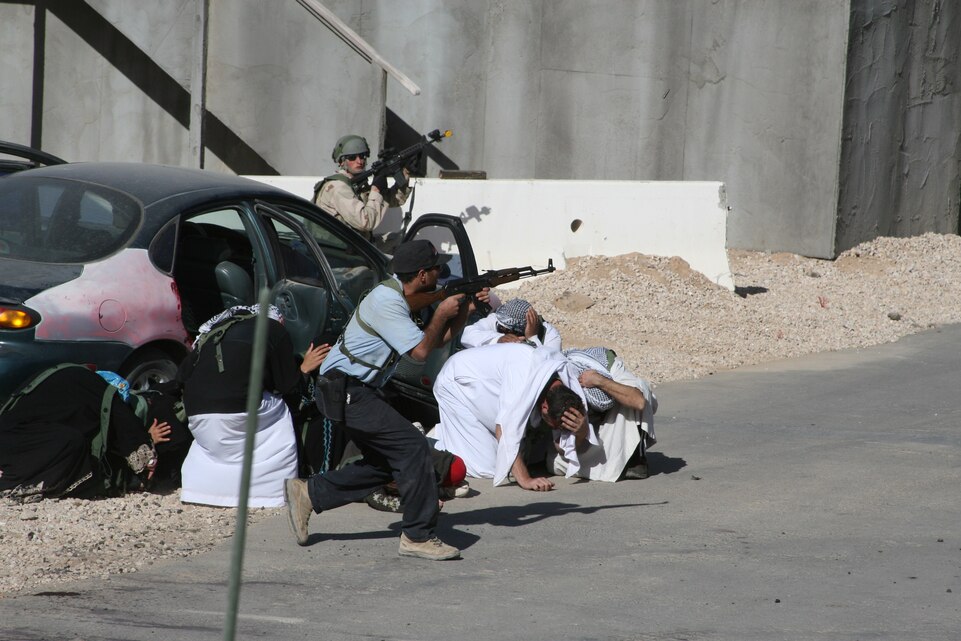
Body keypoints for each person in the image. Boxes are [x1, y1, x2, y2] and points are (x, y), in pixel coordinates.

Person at [284, 239, 481, 561]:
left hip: (353, 389)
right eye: (435, 269)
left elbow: (436, 341)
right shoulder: (388, 303)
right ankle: (417, 536)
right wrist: (443, 310)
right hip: (345, 389)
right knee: (414, 448)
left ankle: (310, 492)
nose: (439, 274)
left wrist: (461, 314)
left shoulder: (397, 297)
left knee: (387, 461)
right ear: (421, 275)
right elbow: (418, 354)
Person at [177, 304, 328, 508]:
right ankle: (272, 492)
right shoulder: (273, 329)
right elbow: (288, 385)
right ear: (278, 320)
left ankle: (203, 491)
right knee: (281, 408)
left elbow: (181, 377)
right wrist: (304, 368)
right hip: (238, 413)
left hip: (198, 417)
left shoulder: (212, 333)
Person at [430, 343, 596, 491]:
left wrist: (581, 431)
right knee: (490, 467)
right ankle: (432, 440)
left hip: (489, 389)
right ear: (544, 407)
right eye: (554, 426)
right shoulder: (522, 378)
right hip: (456, 383)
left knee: (518, 456)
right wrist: (525, 479)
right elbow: (503, 429)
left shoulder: (566, 384)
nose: (555, 431)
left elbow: (562, 448)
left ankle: (454, 435)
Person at [0, 365, 173, 502]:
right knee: (71, 443)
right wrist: (147, 447)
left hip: (10, 439)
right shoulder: (101, 395)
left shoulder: (71, 382)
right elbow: (122, 425)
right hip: (19, 446)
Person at [547, 347, 658, 482]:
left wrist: (600, 381)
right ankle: (613, 464)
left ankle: (634, 458)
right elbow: (562, 448)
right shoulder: (557, 386)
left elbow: (639, 402)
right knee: (552, 462)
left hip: (612, 428)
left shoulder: (609, 366)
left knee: (640, 388)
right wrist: (581, 432)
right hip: (586, 443)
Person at [313, 134, 412, 243]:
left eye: (362, 156)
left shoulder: (356, 183)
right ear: (341, 161)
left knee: (401, 240)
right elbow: (366, 222)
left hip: (357, 245)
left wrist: (405, 172)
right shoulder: (338, 187)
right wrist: (376, 189)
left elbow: (394, 200)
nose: (359, 161)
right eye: (352, 157)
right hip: (340, 253)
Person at [460, 297, 562, 350]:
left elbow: (549, 363)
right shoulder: (498, 319)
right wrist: (498, 339)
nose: (501, 329)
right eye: (500, 327)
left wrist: (531, 339)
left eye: (505, 330)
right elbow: (467, 335)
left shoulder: (549, 334)